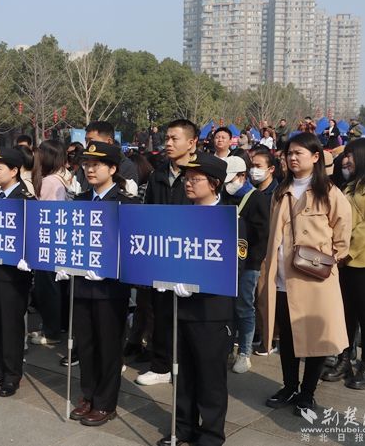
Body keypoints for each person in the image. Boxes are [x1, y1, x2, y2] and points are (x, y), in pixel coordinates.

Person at [261, 132, 351, 415]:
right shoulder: (281, 191)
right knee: (287, 338)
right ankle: (289, 386)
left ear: (315, 157)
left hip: (315, 281)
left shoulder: (329, 192)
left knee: (316, 339)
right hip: (282, 280)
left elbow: (343, 237)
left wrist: (325, 261)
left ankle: (307, 392)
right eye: (289, 153)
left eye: (299, 153)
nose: (292, 158)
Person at [157, 151, 242, 446]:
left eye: (196, 179)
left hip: (212, 312)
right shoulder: (179, 215)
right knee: (183, 374)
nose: (189, 183)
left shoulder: (230, 218)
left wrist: (198, 284)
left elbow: (235, 266)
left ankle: (212, 434)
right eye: (187, 178)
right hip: (180, 308)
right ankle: (183, 428)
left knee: (210, 377)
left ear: (214, 183)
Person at [67, 142, 138, 427]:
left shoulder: (127, 204)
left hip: (110, 289)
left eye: (97, 164)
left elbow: (132, 249)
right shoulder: (81, 200)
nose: (90, 169)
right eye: (87, 164)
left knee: (108, 346)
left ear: (112, 169)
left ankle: (106, 403)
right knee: (85, 344)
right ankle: (88, 395)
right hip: (82, 285)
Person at [136, 119, 196, 387]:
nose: (168, 143)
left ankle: (186, 365)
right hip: (161, 252)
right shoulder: (157, 174)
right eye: (167, 138)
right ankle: (160, 365)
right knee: (160, 311)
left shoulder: (200, 173)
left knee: (188, 314)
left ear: (191, 143)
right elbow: (148, 212)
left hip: (190, 253)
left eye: (174, 139)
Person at [320, 138, 365, 390]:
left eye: (350, 155)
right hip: (343, 259)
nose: (345, 160)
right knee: (346, 313)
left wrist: (347, 250)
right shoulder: (349, 186)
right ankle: (344, 359)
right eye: (345, 155)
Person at [0, 147, 35, 398]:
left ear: (14, 171)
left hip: (14, 275)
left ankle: (12, 375)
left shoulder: (26, 200)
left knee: (11, 324)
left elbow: (33, 236)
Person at [221, 156, 270, 373]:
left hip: (248, 264)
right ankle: (227, 348)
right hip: (225, 261)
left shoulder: (257, 198)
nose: (228, 185)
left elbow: (262, 236)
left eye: (231, 179)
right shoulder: (224, 195)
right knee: (227, 307)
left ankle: (245, 352)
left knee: (244, 307)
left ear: (242, 176)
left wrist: (252, 263)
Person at [30, 140, 69, 348]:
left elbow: (44, 215)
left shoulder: (50, 182)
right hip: (58, 241)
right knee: (55, 287)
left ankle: (51, 331)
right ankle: (53, 326)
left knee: (48, 288)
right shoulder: (63, 177)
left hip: (48, 241)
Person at [79, 121, 139, 196]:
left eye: (91, 141)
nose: (88, 145)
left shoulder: (126, 167)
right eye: (86, 141)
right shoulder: (83, 166)